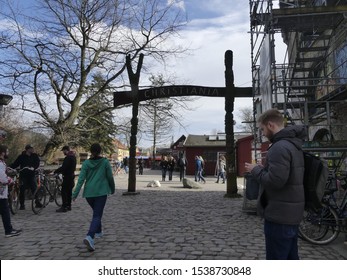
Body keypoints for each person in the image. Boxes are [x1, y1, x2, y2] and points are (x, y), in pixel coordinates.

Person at [245, 109, 306, 260]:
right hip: (291, 213)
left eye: (263, 129)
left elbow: (275, 181)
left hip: (280, 214)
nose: (263, 133)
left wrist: (256, 170)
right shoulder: (292, 144)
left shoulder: (279, 147)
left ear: (271, 125)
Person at [72, 143, 115, 252]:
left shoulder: (86, 163)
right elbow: (110, 176)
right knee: (97, 215)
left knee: (96, 212)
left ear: (91, 151)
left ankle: (99, 231)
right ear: (100, 151)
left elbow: (81, 179)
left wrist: (75, 194)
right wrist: (112, 188)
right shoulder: (105, 162)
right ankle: (90, 236)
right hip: (101, 192)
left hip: (89, 194)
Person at [10, 144, 41, 210]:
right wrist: (9, 167)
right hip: (23, 175)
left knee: (34, 188)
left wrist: (34, 168)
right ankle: (22, 204)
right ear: (27, 149)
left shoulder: (34, 156)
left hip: (31, 175)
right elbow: (15, 164)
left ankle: (37, 202)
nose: (33, 149)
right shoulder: (21, 157)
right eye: (31, 148)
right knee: (22, 189)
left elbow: (37, 163)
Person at [0, 145, 22, 237]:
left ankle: (9, 229)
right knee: (5, 212)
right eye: (7, 151)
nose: (8, 153)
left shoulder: (2, 163)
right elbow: (2, 179)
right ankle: (8, 231)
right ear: (2, 153)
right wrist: (11, 180)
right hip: (0, 193)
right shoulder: (0, 164)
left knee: (5, 211)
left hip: (2, 193)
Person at [54, 145, 77, 213]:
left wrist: (56, 171)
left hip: (67, 177)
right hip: (72, 175)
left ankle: (64, 207)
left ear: (66, 150)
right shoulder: (73, 157)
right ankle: (69, 206)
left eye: (63, 151)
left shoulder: (68, 158)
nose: (63, 152)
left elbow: (64, 167)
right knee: (69, 192)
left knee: (63, 191)